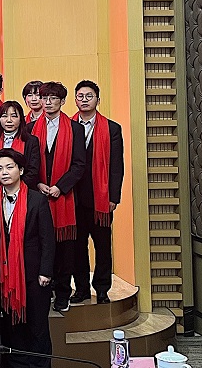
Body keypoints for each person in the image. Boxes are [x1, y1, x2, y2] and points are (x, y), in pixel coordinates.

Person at [0, 149, 55, 368]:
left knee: (37, 327)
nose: (4, 172)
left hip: (33, 275)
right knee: (12, 327)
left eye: (9, 167)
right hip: (5, 276)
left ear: (20, 170)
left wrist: (45, 271)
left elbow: (47, 239)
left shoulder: (37, 200)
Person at [30, 82, 86, 312]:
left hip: (64, 198)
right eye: (45, 98)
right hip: (38, 195)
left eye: (53, 98)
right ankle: (44, 292)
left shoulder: (75, 129)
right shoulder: (30, 128)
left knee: (65, 250)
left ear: (62, 101)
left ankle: (63, 293)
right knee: (41, 246)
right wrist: (38, 184)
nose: (48, 102)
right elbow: (28, 163)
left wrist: (60, 188)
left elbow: (79, 165)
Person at [70, 80, 124, 305]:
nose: (84, 100)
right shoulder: (67, 125)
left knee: (102, 247)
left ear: (98, 100)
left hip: (101, 198)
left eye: (89, 96)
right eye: (80, 96)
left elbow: (116, 165)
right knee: (77, 247)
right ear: (75, 100)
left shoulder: (112, 128)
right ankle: (81, 289)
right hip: (72, 198)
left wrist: (113, 197)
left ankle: (102, 289)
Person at [0, 101, 42, 188]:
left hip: (24, 188)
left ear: (21, 119)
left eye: (14, 116)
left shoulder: (31, 141)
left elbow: (33, 171)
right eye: (4, 116)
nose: (9, 120)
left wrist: (15, 187)